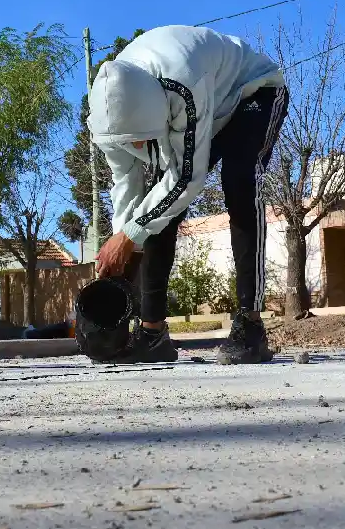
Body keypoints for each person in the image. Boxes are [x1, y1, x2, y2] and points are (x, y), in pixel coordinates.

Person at [87, 25, 289, 365]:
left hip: (252, 92)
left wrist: (130, 235)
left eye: (142, 138)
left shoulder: (181, 84)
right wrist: (123, 241)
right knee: (156, 210)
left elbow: (186, 181)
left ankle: (251, 326)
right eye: (131, 141)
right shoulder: (107, 119)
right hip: (203, 106)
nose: (138, 146)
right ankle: (152, 334)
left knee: (240, 182)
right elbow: (126, 184)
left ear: (156, 110)